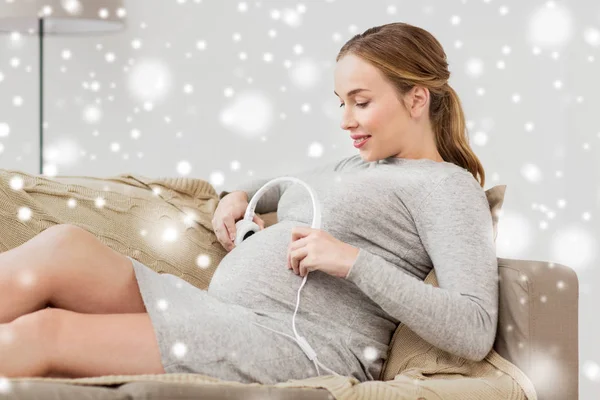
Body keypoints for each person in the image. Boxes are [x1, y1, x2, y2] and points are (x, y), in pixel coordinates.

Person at [0, 22, 497, 386]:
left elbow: (474, 328)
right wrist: (234, 198)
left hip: (297, 346)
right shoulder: (357, 166)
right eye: (339, 101)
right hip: (223, 312)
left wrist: (353, 263)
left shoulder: (446, 187)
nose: (345, 119)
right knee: (64, 246)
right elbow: (275, 186)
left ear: (417, 99)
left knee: (46, 333)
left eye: (361, 101)